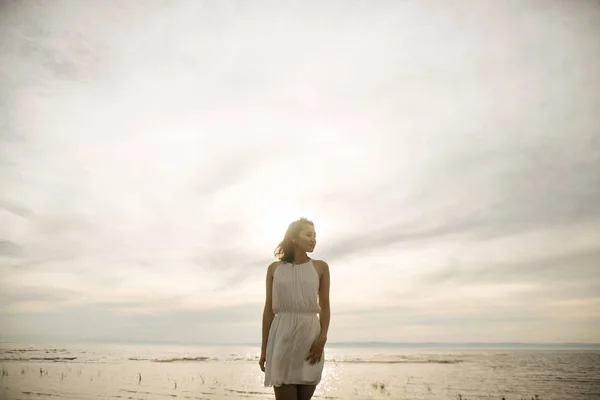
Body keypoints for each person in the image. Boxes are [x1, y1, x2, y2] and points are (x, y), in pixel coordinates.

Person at [259, 217, 331, 400]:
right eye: (308, 234)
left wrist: (322, 337)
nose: (313, 239)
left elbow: (325, 306)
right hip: (282, 336)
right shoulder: (274, 269)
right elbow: (268, 310)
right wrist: (264, 349)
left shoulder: (321, 267)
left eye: (315, 235)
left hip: (310, 339)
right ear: (293, 238)